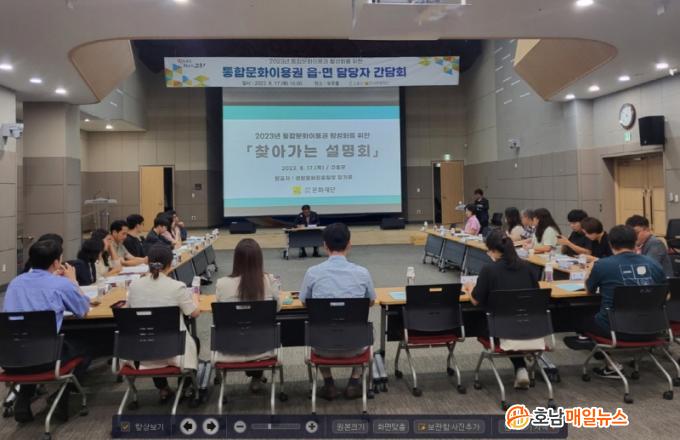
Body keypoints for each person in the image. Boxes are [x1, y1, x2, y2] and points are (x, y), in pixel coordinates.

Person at [2, 239, 93, 423]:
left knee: (32, 345)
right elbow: (82, 310)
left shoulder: (15, 283)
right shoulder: (61, 284)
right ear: (57, 262)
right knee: (86, 346)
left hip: (10, 357)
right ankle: (61, 397)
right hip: (47, 359)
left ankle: (24, 398)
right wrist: (73, 282)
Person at [564, 225, 667, 377]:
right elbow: (665, 295)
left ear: (610, 244)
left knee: (582, 317)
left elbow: (589, 290)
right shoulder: (654, 264)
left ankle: (610, 363)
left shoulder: (602, 265)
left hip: (616, 330)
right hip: (653, 328)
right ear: (635, 242)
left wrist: (589, 271)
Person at [299, 223, 376, 400]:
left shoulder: (312, 273)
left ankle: (329, 384)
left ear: (325, 246)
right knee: (367, 329)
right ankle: (354, 382)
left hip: (322, 347)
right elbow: (371, 301)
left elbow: (304, 302)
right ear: (349, 244)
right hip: (356, 346)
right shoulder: (363, 273)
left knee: (319, 327)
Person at [126, 245, 200, 403]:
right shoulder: (177, 287)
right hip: (174, 350)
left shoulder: (134, 286)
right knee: (194, 341)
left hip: (141, 351)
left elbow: (128, 311)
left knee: (152, 335)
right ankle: (184, 386)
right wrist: (195, 298)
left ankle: (163, 388)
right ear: (170, 264)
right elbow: (193, 313)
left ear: (148, 262)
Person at [469, 230, 540, 389]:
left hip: (498, 330)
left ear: (493, 250)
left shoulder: (489, 270)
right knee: (511, 321)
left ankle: (520, 366)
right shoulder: (528, 268)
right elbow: (535, 296)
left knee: (486, 322)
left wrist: (468, 290)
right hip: (529, 326)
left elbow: (475, 300)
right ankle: (521, 366)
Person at [215, 238, 281, 393]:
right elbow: (277, 308)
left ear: (236, 259)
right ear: (259, 259)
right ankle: (256, 375)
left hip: (229, 346)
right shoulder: (269, 280)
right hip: (263, 347)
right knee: (257, 330)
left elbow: (219, 312)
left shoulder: (221, 284)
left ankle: (255, 375)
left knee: (246, 330)